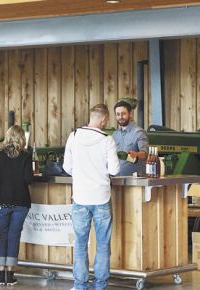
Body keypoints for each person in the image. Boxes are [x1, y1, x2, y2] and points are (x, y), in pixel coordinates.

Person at [63, 104, 120, 290]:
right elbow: (114, 170)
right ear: (103, 120)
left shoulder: (74, 136)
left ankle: (80, 285)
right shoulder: (107, 140)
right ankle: (100, 286)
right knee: (103, 245)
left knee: (80, 244)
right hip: (101, 198)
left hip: (80, 197)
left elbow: (67, 167)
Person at [0, 125, 33, 287]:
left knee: (3, 235)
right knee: (14, 235)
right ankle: (10, 274)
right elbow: (29, 179)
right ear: (22, 138)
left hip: (1, 202)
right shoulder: (25, 156)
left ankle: (1, 274)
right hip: (20, 201)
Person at [112, 100, 148, 176]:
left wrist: (137, 154)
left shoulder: (139, 132)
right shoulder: (115, 135)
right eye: (118, 114)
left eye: (123, 114)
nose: (120, 117)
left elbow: (145, 154)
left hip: (134, 182)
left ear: (130, 114)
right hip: (116, 180)